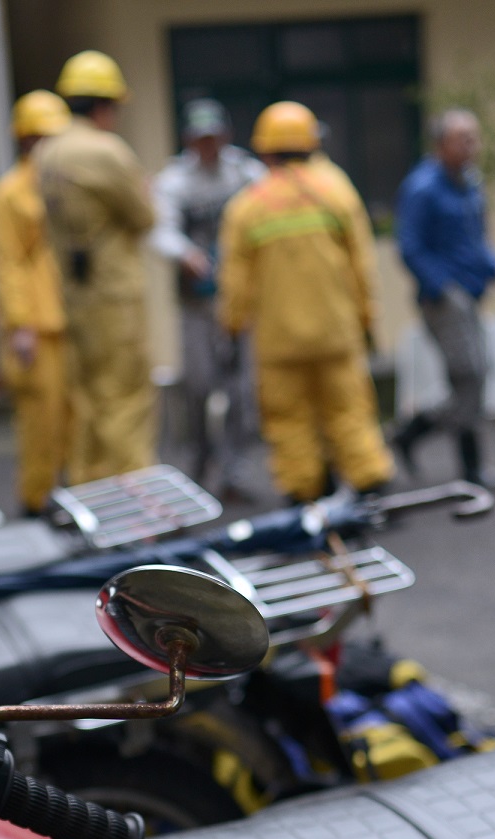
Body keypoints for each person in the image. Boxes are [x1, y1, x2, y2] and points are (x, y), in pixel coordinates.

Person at [217, 101, 393, 504]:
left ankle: (305, 495)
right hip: (336, 332)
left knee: (288, 419)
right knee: (348, 410)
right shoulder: (336, 192)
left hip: (278, 341)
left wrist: (232, 325)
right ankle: (368, 485)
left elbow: (235, 280)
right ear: (312, 144)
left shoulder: (248, 206)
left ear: (265, 151)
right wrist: (367, 318)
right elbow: (361, 265)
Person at [37, 50, 156, 484]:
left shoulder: (47, 153)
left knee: (87, 398)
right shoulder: (106, 151)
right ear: (105, 105)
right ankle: (138, 498)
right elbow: (144, 217)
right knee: (125, 399)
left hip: (75, 295)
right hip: (115, 295)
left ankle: (89, 491)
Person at [391, 109, 495, 489]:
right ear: (440, 144)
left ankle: (412, 433)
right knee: (470, 375)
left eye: (474, 138)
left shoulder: (471, 183)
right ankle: (470, 466)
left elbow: (477, 242)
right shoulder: (422, 188)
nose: (471, 146)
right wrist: (443, 287)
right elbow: (410, 247)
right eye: (463, 139)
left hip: (471, 293)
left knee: (475, 377)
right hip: (445, 298)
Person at [150, 98, 266, 493]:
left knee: (241, 390)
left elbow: (268, 203)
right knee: (199, 385)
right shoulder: (174, 181)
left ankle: (234, 471)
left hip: (239, 301)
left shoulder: (244, 172)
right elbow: (160, 227)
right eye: (200, 139)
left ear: (226, 136)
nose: (208, 146)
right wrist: (185, 254)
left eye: (213, 138)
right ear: (188, 140)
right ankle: (200, 458)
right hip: (197, 303)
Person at [0, 91, 74, 513]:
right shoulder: (9, 195)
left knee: (79, 419)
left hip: (74, 319)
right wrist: (20, 324)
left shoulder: (67, 186)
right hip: (37, 327)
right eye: (41, 137)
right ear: (25, 139)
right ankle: (36, 502)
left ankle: (76, 500)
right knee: (42, 420)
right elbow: (8, 263)